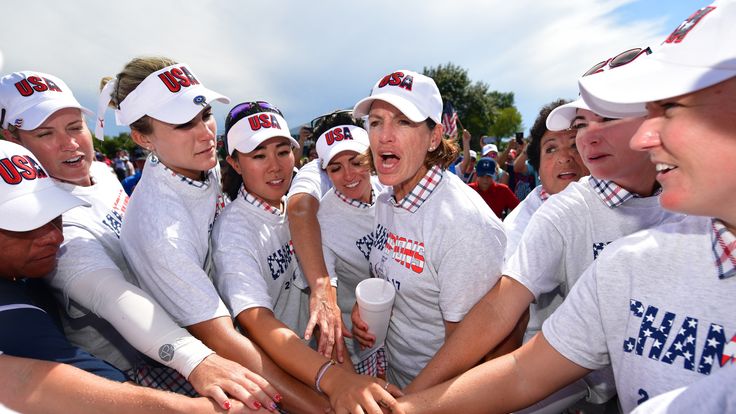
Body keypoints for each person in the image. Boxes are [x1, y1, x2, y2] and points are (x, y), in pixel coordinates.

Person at [391, 1, 736, 412]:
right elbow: (519, 359)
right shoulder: (623, 263)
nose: (648, 136)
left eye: (671, 109)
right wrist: (407, 406)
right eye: (581, 126)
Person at [0, 70, 276, 410]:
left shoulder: (101, 173)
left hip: (180, 332)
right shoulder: (48, 216)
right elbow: (112, 294)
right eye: (45, 133)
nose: (70, 143)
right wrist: (196, 360)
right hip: (133, 369)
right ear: (11, 140)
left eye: (74, 126)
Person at [103, 56, 324, 413]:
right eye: (182, 124)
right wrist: (322, 406)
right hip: (201, 364)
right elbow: (223, 342)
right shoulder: (161, 228)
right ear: (142, 138)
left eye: (205, 114)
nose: (206, 132)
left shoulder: (198, 166)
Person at [212, 101, 398, 412]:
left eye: (282, 152)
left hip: (325, 363)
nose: (275, 166)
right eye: (259, 155)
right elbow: (257, 323)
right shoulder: (234, 232)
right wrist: (333, 380)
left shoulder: (298, 208)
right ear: (234, 163)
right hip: (285, 377)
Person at [350, 69, 506, 389]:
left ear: (434, 138)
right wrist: (363, 311)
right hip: (393, 376)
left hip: (439, 397)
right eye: (376, 121)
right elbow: (393, 277)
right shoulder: (384, 201)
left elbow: (471, 356)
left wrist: (411, 402)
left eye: (403, 121)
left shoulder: (464, 225)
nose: (384, 135)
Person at [313, 111, 386, 375]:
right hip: (359, 345)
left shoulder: (391, 193)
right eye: (335, 168)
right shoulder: (322, 221)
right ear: (325, 172)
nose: (349, 175)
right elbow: (325, 289)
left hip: (405, 336)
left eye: (356, 161)